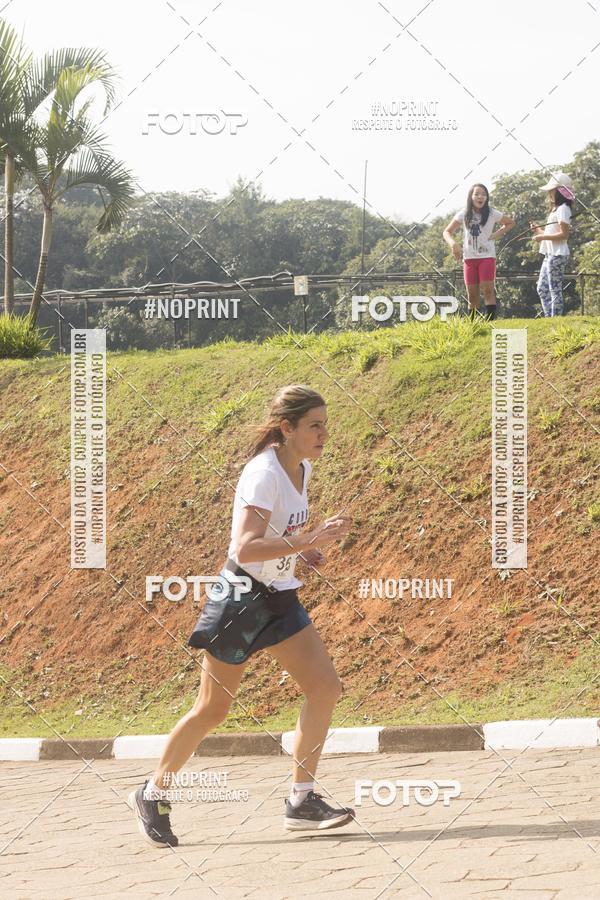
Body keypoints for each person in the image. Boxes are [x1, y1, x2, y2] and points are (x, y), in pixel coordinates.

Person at [129, 384, 354, 846]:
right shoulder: (263, 473)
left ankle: (302, 800)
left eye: (325, 424)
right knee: (213, 708)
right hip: (241, 600)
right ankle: (153, 793)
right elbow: (246, 548)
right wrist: (311, 540)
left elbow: (277, 538)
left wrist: (300, 557)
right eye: (314, 425)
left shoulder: (301, 468)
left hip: (280, 596)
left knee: (325, 687)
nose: (323, 433)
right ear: (287, 428)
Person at [443, 183, 514, 320]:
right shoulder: (463, 213)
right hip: (469, 258)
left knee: (488, 290)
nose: (480, 197)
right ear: (471, 197)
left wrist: (496, 235)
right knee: (472, 295)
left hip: (487, 256)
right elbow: (447, 231)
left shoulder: (492, 213)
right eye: (477, 194)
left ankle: (490, 321)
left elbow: (510, 223)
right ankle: (473, 324)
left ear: (487, 197)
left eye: (483, 194)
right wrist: (453, 244)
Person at [530, 172, 575, 317]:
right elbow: (553, 232)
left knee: (554, 289)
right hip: (550, 254)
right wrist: (539, 231)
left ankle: (555, 319)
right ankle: (550, 317)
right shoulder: (557, 209)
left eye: (552, 190)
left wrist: (541, 237)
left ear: (559, 191)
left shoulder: (563, 209)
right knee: (542, 288)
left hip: (557, 255)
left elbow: (564, 234)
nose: (549, 193)